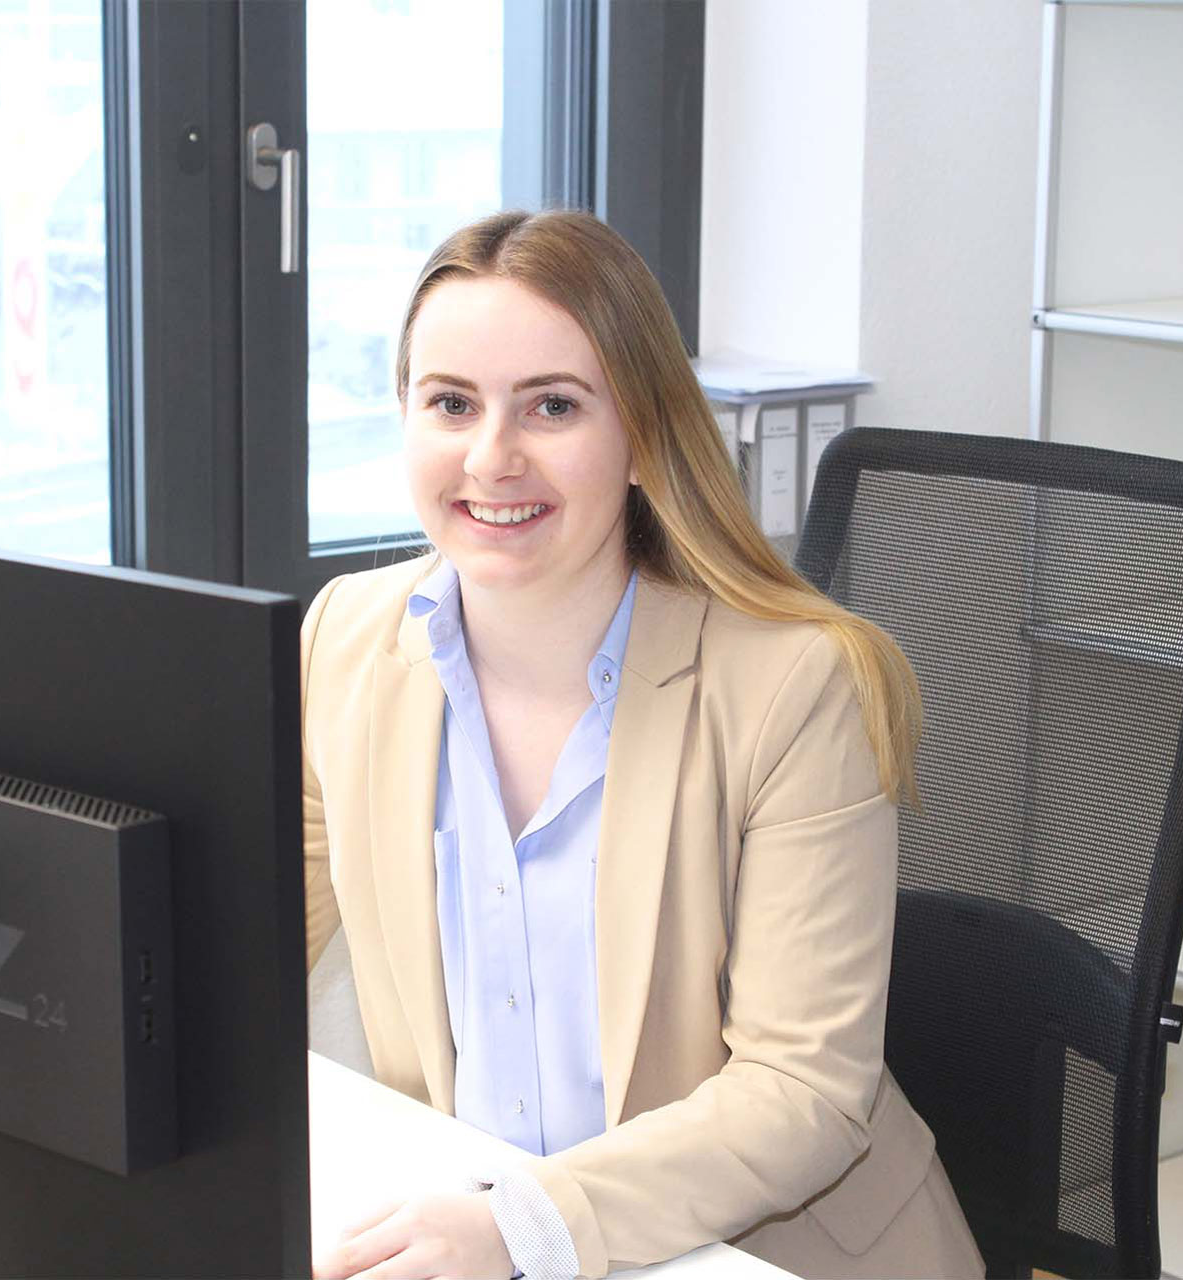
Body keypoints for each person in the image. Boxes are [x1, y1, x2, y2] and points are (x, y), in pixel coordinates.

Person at [300, 209, 983, 1280]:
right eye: (451, 402)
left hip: (757, 1253)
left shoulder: (794, 685)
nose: (492, 457)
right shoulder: (346, 640)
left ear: (642, 436)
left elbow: (804, 1090)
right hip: (482, 1237)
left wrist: (523, 1227)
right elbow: (244, 945)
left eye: (553, 406)